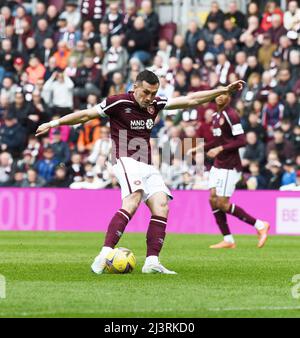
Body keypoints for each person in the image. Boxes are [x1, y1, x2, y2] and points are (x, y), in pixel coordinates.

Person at [36, 70, 244, 274]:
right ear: (135, 87)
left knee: (162, 205)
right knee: (133, 199)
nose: (149, 98)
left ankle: (152, 262)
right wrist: (54, 123)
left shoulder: (156, 104)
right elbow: (86, 115)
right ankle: (104, 254)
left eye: (153, 93)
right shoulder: (118, 102)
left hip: (145, 163)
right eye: (146, 92)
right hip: (123, 159)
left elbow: (191, 100)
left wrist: (222, 90)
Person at [189, 92, 270, 249]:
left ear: (229, 97)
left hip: (230, 165)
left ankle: (260, 225)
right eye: (218, 93)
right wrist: (200, 147)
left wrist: (219, 148)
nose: (220, 96)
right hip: (219, 164)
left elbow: (241, 141)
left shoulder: (232, 115)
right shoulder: (215, 116)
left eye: (224, 93)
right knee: (212, 199)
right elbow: (218, 140)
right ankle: (228, 239)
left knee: (222, 203)